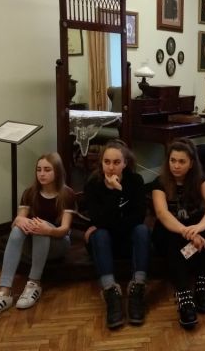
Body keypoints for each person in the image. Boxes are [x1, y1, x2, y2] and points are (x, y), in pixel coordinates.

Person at [0, 153, 76, 320]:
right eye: (39, 169)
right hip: (33, 246)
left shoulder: (67, 194)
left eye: (47, 170)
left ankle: (34, 283)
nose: (42, 174)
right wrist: (19, 220)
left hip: (58, 244)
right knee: (21, 228)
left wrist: (47, 230)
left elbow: (64, 229)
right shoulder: (29, 193)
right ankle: (4, 292)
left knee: (39, 226)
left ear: (57, 171)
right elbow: (18, 221)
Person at [150, 138, 205, 329]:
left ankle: (202, 281)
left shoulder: (200, 180)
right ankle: (183, 294)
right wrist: (187, 232)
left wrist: (200, 227)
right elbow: (162, 214)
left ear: (191, 163)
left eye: (182, 161)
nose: (176, 165)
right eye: (173, 160)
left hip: (192, 239)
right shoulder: (159, 183)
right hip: (171, 237)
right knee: (171, 233)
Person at [84, 140, 150, 329]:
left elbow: (139, 217)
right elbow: (97, 219)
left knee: (142, 230)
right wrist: (115, 193)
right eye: (107, 162)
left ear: (125, 163)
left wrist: (106, 223)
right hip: (104, 243)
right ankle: (111, 292)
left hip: (127, 240)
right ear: (101, 163)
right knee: (100, 235)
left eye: (116, 162)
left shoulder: (135, 181)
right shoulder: (93, 184)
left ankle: (137, 288)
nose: (111, 167)